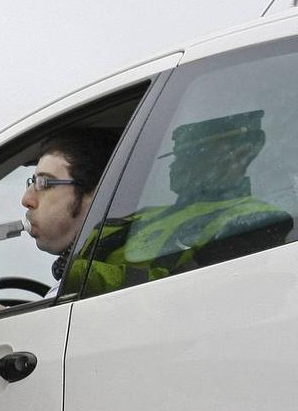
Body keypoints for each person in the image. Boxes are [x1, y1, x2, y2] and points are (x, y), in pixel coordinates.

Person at [72, 110, 292, 295]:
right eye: (175, 155)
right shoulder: (141, 216)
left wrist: (81, 275)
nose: (174, 165)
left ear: (238, 154)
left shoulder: (255, 219)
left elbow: (181, 291)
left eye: (189, 153)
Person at [0, 127, 119, 314]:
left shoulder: (101, 279)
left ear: (95, 194)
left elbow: (46, 339)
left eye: (44, 183)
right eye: (32, 182)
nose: (26, 199)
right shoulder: (97, 271)